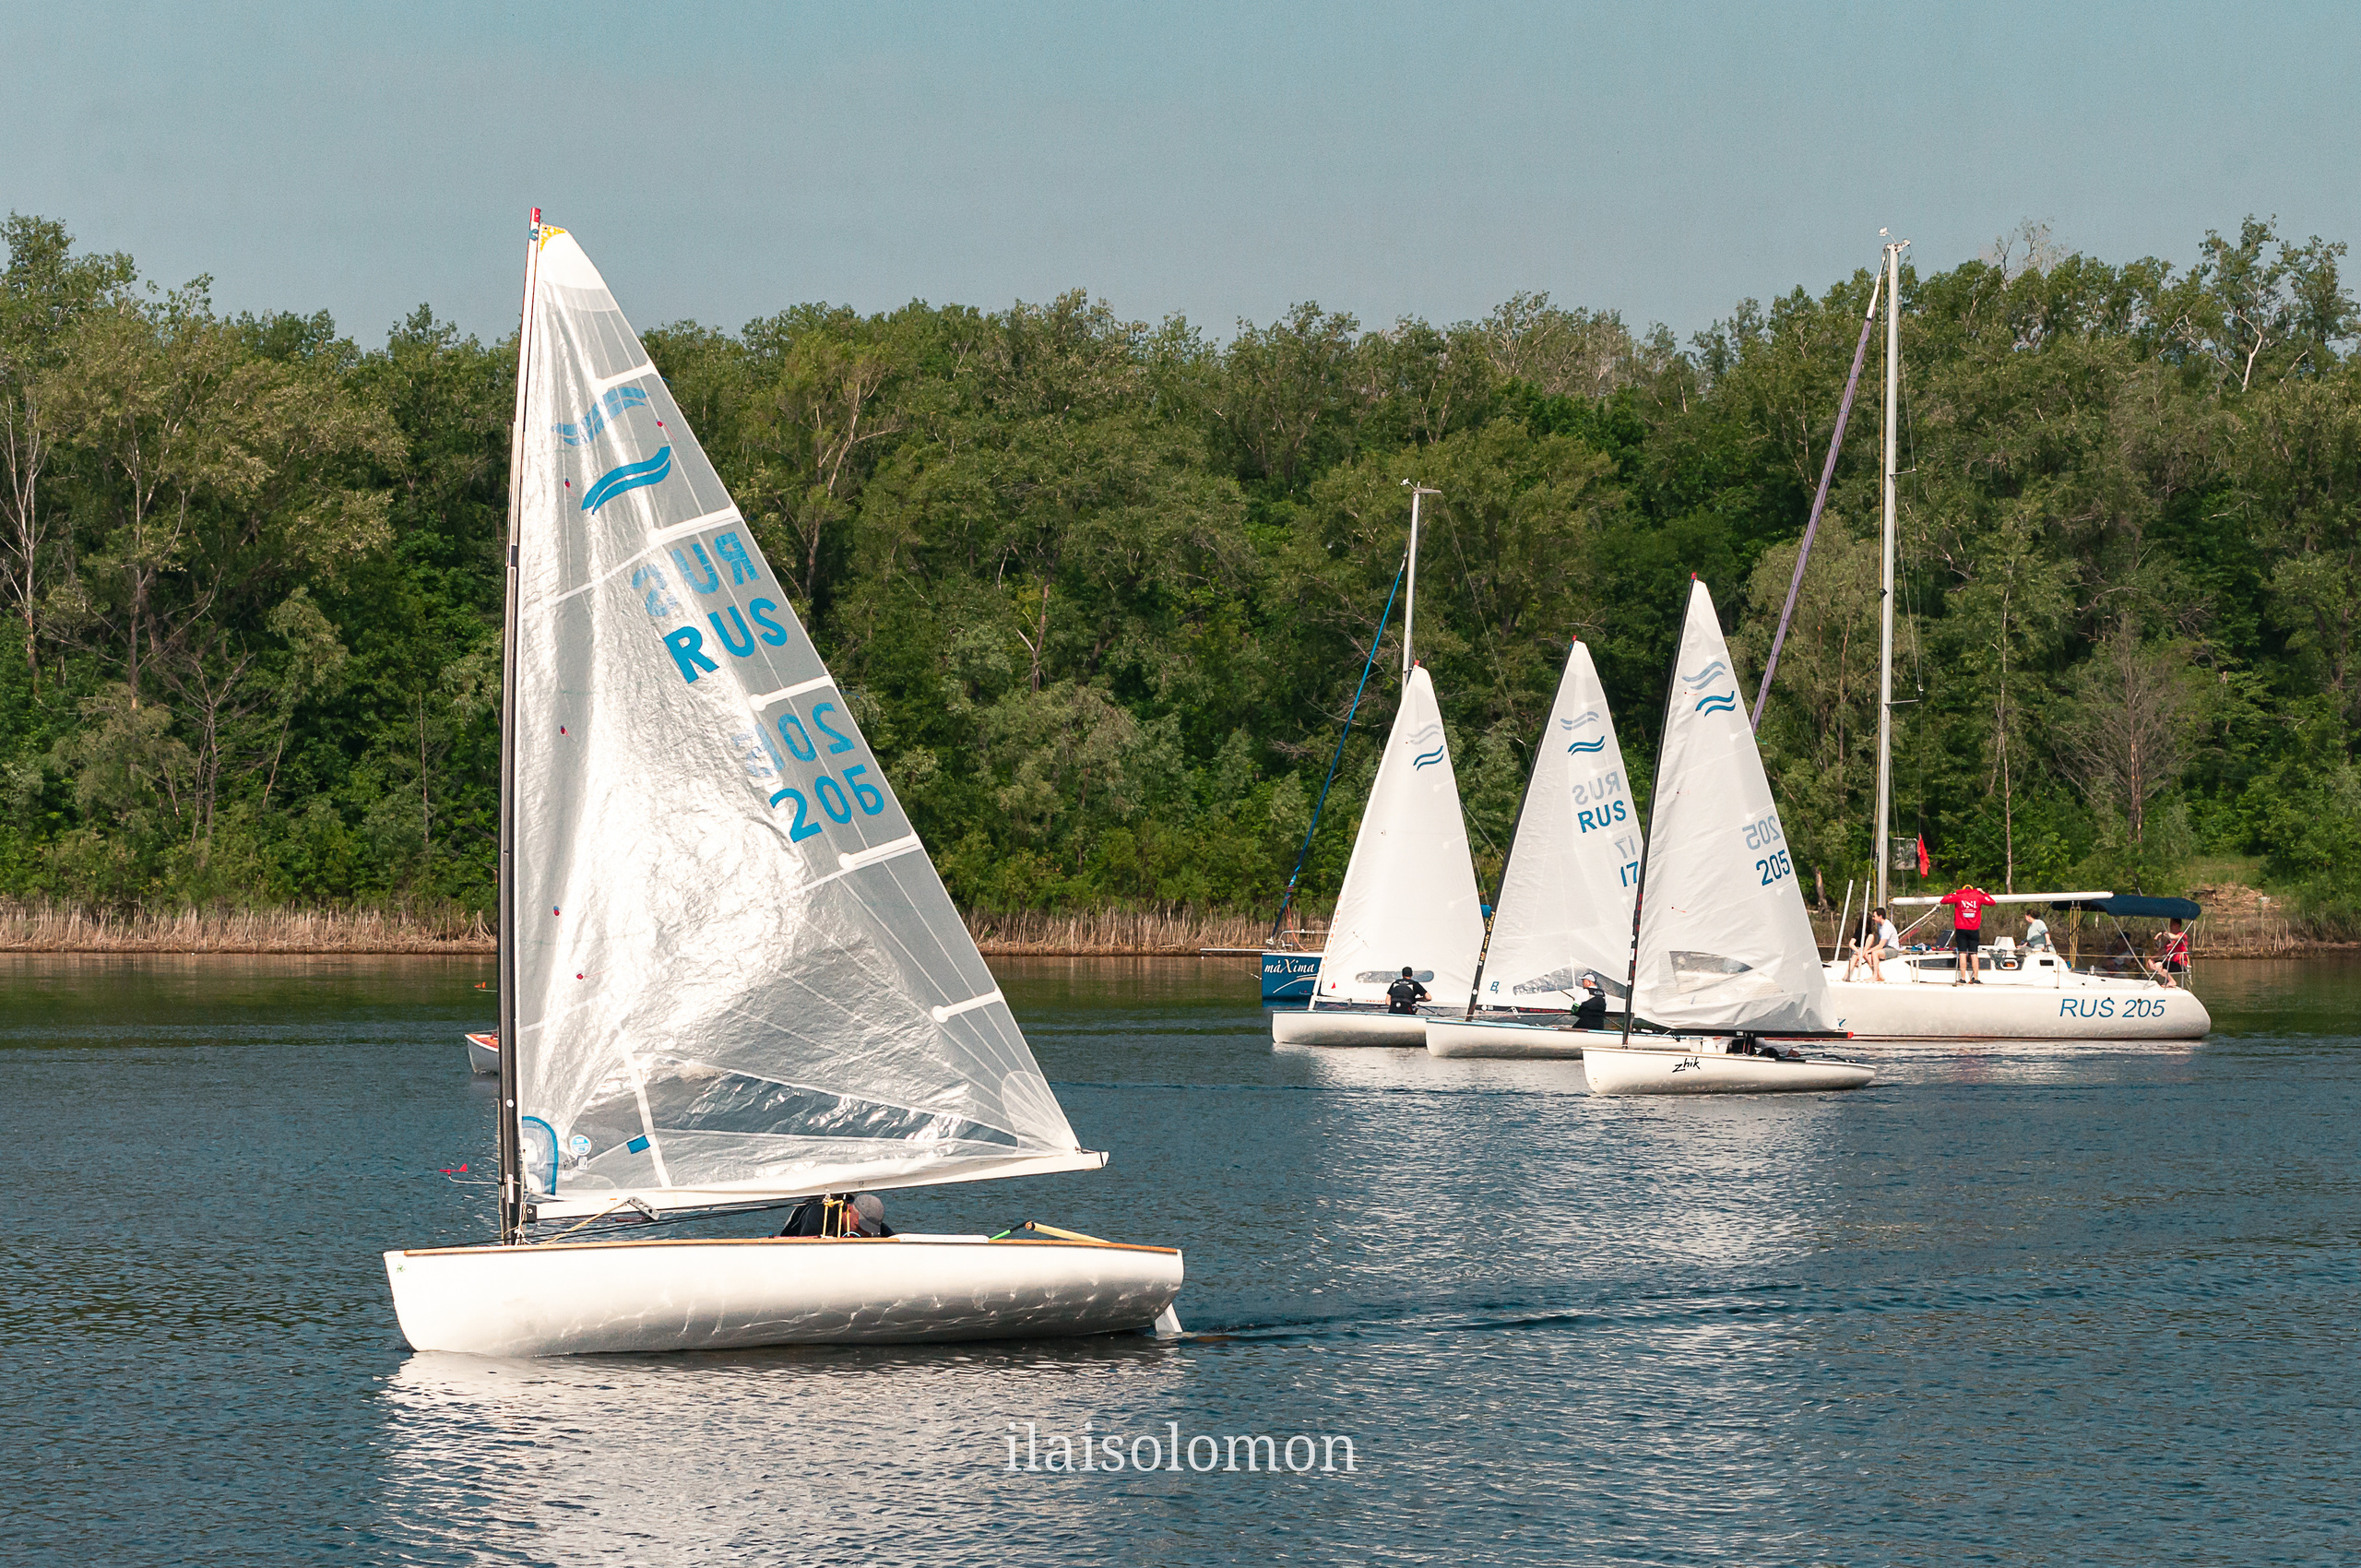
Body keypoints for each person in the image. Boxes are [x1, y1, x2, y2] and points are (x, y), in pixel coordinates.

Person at [1939, 884, 1998, 985]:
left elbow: (1944, 900)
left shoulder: (1959, 896)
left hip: (1961, 929)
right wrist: (1983, 892)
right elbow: (1992, 902)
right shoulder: (1978, 897)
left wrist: (1954, 893)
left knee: (1962, 953)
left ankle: (1963, 978)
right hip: (1974, 929)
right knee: (1974, 953)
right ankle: (1976, 977)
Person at [1845, 907, 1894, 982]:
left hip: (1890, 948)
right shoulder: (1860, 931)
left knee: (1872, 954)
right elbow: (1851, 944)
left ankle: (1876, 976)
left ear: (1880, 916)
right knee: (1857, 956)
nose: (1873, 918)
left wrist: (1866, 951)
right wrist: (1859, 952)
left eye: (1874, 916)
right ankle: (1847, 976)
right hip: (1859, 950)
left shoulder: (1886, 927)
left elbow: (1880, 945)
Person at [2151, 918, 2191, 989]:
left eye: (2172, 925)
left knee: (2158, 965)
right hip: (2169, 962)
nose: (2170, 927)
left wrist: (2162, 933)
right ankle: (2161, 980)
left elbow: (2174, 937)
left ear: (2178, 925)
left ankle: (2172, 981)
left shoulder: (2182, 935)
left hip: (2179, 963)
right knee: (2152, 963)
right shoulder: (2169, 941)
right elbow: (2163, 951)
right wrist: (2151, 958)